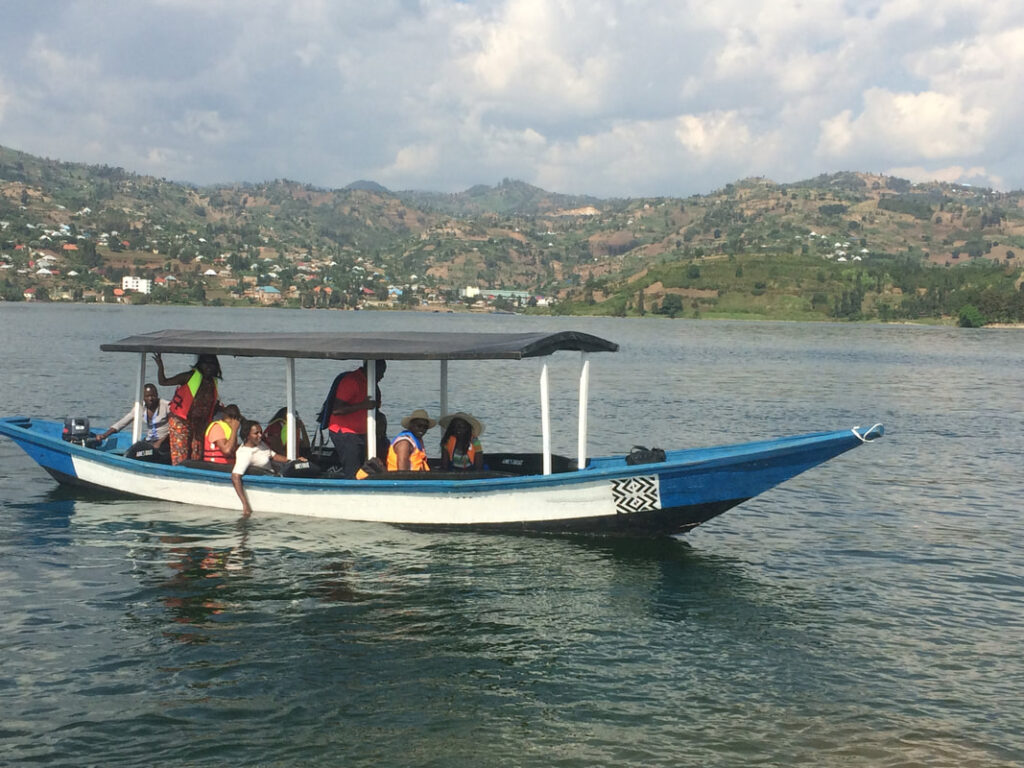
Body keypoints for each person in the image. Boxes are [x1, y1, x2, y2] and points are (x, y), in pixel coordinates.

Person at [322, 360, 386, 478]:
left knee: (369, 466)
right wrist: (362, 405)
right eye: (380, 372)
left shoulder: (372, 386)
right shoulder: (352, 381)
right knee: (353, 470)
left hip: (362, 433)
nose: (382, 376)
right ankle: (351, 488)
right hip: (345, 432)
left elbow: (376, 411)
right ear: (371, 370)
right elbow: (337, 409)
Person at [156, 353, 223, 465]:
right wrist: (160, 366)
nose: (209, 367)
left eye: (212, 364)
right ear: (200, 364)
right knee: (181, 453)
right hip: (180, 420)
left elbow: (213, 404)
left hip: (199, 422)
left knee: (197, 453)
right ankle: (179, 473)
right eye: (206, 363)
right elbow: (163, 382)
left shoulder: (212, 382)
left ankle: (194, 474)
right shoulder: (189, 376)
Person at [232, 419, 304, 516]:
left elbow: (273, 456)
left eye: (260, 432)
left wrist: (294, 460)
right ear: (247, 436)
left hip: (276, 474)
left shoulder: (261, 444)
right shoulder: (245, 454)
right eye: (256, 433)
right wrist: (245, 504)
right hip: (269, 481)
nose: (260, 435)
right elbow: (235, 477)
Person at [97, 383, 171, 458]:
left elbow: (176, 427)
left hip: (163, 444)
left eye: (153, 396)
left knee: (142, 454)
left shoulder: (166, 406)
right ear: (143, 397)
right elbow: (123, 422)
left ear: (157, 395)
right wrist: (105, 435)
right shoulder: (140, 407)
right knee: (133, 453)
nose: (150, 399)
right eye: (147, 396)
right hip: (150, 442)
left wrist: (160, 442)